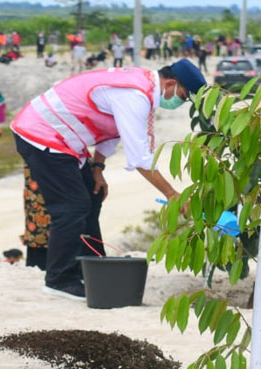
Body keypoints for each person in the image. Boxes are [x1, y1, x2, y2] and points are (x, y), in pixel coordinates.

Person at [10, 59, 206, 300]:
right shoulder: (135, 95)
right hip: (42, 134)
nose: (180, 102)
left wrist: (98, 168)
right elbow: (140, 158)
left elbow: (112, 128)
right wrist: (172, 194)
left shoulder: (143, 85)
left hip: (65, 139)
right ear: (171, 83)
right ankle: (59, 279)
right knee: (72, 207)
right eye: (184, 96)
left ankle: (91, 265)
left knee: (92, 196)